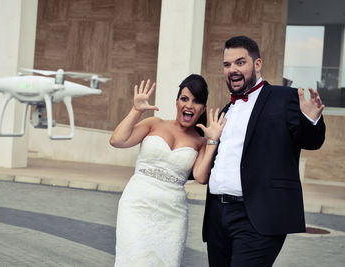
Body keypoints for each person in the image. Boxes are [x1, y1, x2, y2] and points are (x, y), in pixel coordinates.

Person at [202, 35, 326, 267]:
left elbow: (310, 141)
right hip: (218, 216)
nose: (233, 70)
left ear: (257, 64)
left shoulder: (284, 98)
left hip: (257, 216)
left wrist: (310, 120)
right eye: (227, 65)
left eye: (240, 62)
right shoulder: (227, 109)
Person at [110, 74, 226, 266]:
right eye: (185, 98)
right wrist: (136, 110)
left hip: (173, 215)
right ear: (177, 102)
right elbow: (117, 140)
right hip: (137, 206)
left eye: (196, 101)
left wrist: (213, 141)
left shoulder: (200, 141)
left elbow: (200, 177)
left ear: (203, 109)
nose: (189, 105)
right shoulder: (155, 124)